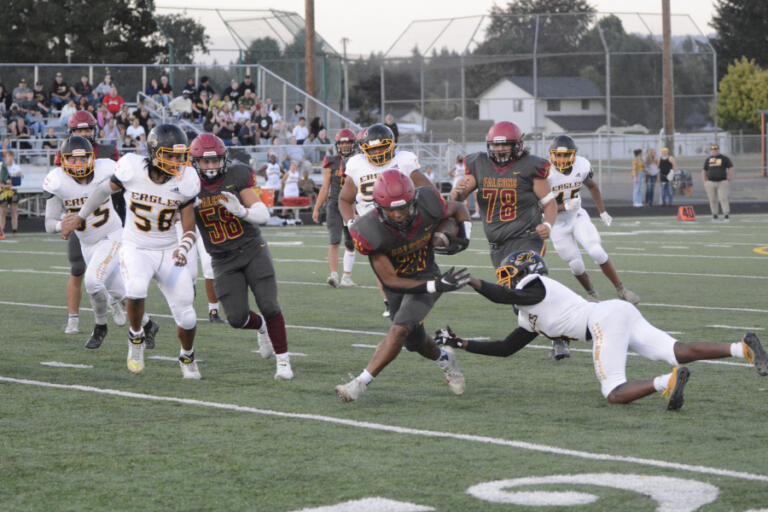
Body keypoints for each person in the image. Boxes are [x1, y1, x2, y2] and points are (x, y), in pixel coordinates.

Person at [435, 250, 768, 411]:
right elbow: (505, 347)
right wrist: (460, 343)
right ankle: (742, 348)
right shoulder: (528, 313)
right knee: (675, 350)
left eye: (510, 273)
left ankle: (666, 382)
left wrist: (472, 281)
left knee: (613, 391)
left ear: (525, 273)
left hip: (602, 320)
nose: (506, 279)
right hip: (616, 312)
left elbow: (503, 295)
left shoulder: (535, 285)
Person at [62, 124, 201, 379]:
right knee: (136, 288)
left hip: (169, 249)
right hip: (136, 246)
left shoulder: (187, 180)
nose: (175, 161)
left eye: (178, 155)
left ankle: (187, 356)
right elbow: (102, 190)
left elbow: (189, 226)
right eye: (169, 155)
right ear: (154, 151)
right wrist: (80, 216)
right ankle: (136, 338)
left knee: (188, 315)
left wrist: (184, 246)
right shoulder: (132, 168)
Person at [335, 170, 471, 402]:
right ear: (378, 206)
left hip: (427, 272)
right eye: (391, 210)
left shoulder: (428, 202)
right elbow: (390, 280)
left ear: (413, 201)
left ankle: (359, 384)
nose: (398, 215)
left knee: (399, 330)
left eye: (403, 208)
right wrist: (435, 285)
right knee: (413, 340)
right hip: (399, 285)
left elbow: (458, 209)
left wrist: (464, 237)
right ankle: (445, 360)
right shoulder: (368, 230)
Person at [189, 133, 293, 380]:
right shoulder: (187, 185)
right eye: (206, 162)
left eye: (215, 161)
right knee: (236, 318)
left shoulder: (236, 175)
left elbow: (262, 213)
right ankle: (261, 327)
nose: (212, 166)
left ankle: (284, 361)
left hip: (251, 249)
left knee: (269, 305)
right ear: (195, 163)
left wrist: (242, 211)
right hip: (222, 259)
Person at [43, 136, 137, 349]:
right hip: (87, 243)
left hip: (112, 234)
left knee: (93, 281)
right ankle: (148, 325)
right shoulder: (57, 181)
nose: (78, 164)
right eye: (73, 160)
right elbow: (49, 224)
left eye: (83, 159)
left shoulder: (106, 170)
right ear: (64, 161)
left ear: (92, 159)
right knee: (120, 292)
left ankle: (100, 327)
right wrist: (61, 225)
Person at [338, 123, 435, 317]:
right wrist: (351, 223)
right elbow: (344, 199)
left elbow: (429, 191)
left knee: (408, 272)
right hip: (374, 228)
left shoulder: (404, 161)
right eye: (373, 149)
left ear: (392, 145)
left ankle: (406, 306)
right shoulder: (356, 164)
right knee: (386, 275)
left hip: (404, 224)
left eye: (382, 147)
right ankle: (394, 306)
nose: (378, 152)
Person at [546, 135, 639, 312]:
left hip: (577, 216)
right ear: (552, 155)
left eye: (566, 156)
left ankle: (621, 289)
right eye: (558, 155)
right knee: (575, 264)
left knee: (596, 251)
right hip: (557, 224)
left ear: (574, 156)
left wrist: (602, 211)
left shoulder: (581, 166)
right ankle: (592, 293)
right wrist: (563, 206)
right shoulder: (545, 173)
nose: (562, 159)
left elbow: (593, 186)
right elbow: (539, 207)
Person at [450, 121, 556, 268]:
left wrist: (548, 225)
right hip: (497, 244)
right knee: (509, 288)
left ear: (517, 145)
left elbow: (550, 202)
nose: (500, 149)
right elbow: (458, 198)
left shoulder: (529, 166)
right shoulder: (480, 164)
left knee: (525, 279)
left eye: (505, 145)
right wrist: (456, 191)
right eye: (496, 145)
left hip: (525, 237)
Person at [54, 111, 123, 335]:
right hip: (80, 221)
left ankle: (114, 300)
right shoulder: (63, 153)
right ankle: (73, 318)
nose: (84, 133)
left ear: (94, 130)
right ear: (71, 132)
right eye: (79, 130)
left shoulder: (108, 153)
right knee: (77, 268)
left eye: (87, 129)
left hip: (108, 217)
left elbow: (121, 182)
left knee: (113, 268)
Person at [313, 129, 358, 288]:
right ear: (337, 145)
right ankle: (334, 275)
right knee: (334, 240)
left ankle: (346, 276)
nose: (345, 146)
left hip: (352, 204)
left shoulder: (359, 160)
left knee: (351, 242)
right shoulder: (331, 160)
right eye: (342, 143)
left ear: (353, 144)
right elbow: (325, 187)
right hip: (334, 204)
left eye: (348, 143)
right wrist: (317, 207)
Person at [702, 144, 734, 222]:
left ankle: (726, 215)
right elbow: (704, 170)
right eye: (713, 150)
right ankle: (714, 215)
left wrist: (729, 177)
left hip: (722, 182)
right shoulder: (708, 159)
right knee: (712, 199)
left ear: (718, 150)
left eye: (716, 150)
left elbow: (730, 167)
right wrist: (704, 181)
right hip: (710, 182)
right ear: (711, 151)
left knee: (723, 198)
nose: (715, 151)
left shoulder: (724, 158)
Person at [0, 150, 22, 238]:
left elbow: (18, 180)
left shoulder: (16, 167)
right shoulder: (1, 166)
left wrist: (11, 182)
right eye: (8, 156)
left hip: (13, 191)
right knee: (3, 212)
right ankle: (2, 230)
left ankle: (15, 230)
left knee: (14, 211)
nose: (9, 158)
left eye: (11, 156)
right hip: (3, 191)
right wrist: (4, 185)